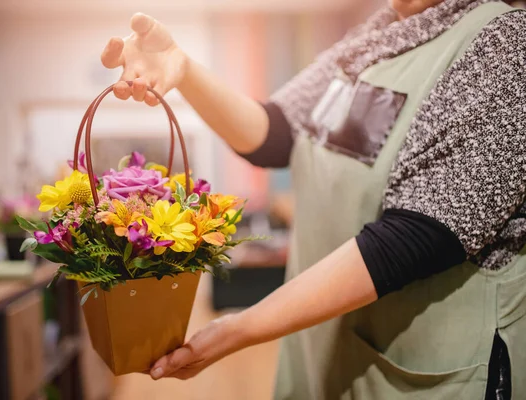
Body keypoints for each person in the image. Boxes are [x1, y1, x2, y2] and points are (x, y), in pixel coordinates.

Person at [100, 0, 526, 398]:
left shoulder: (504, 44)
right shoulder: (371, 41)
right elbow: (273, 134)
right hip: (321, 349)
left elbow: (413, 237)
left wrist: (239, 330)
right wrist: (184, 69)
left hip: (427, 365)